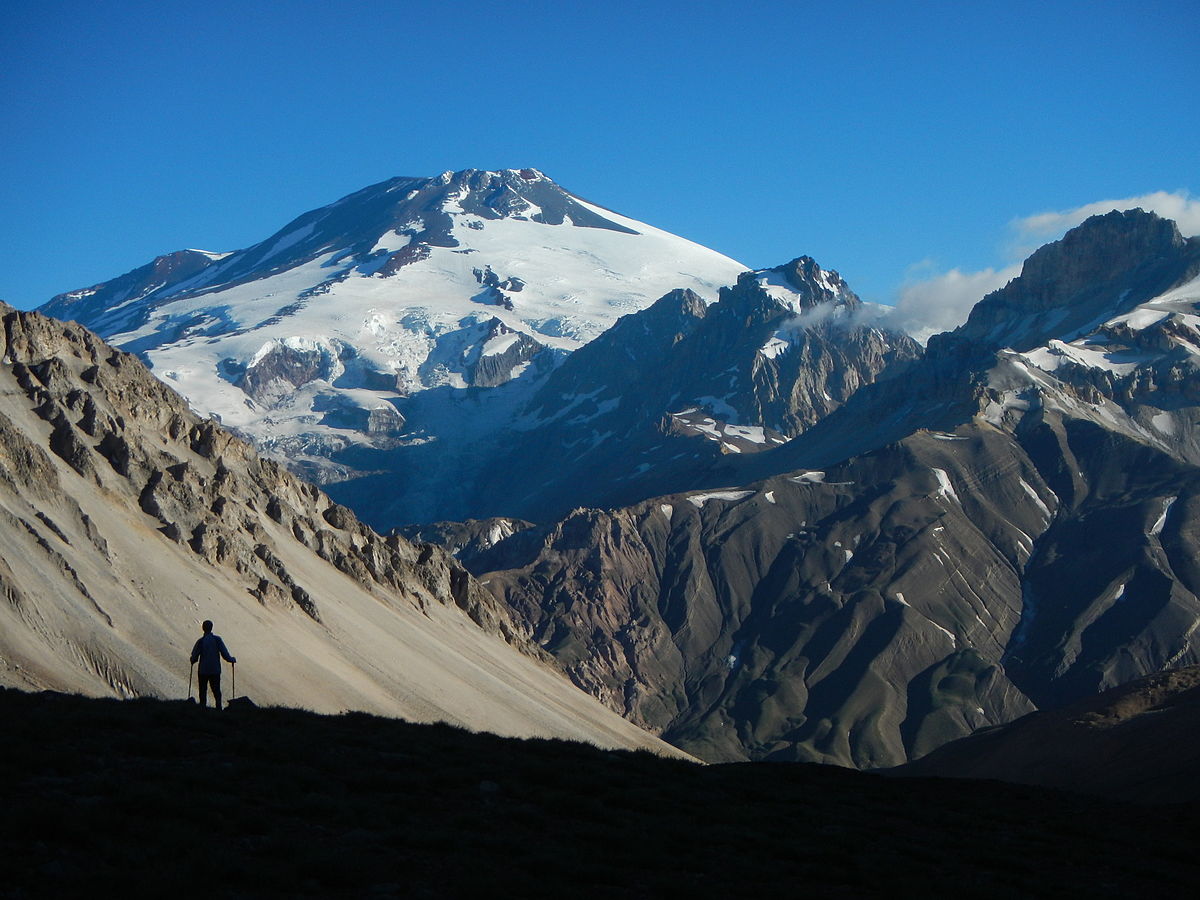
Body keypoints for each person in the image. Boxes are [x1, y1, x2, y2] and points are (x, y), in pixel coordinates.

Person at [190, 620, 236, 709]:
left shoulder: (201, 641)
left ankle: (202, 708)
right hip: (215, 669)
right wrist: (231, 660)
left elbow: (194, 656)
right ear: (211, 628)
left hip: (203, 670)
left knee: (203, 690)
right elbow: (224, 654)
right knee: (216, 690)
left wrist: (192, 660)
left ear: (203, 628)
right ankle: (218, 707)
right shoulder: (217, 639)